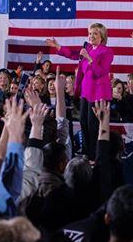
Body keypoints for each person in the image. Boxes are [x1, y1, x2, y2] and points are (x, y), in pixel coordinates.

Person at [46, 23, 114, 160]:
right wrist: (58, 46)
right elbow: (73, 54)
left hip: (98, 94)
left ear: (102, 36)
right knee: (83, 123)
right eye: (90, 33)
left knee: (93, 126)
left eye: (95, 33)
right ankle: (88, 155)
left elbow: (100, 72)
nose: (91, 36)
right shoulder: (87, 48)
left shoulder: (107, 52)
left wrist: (89, 58)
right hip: (86, 92)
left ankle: (96, 156)